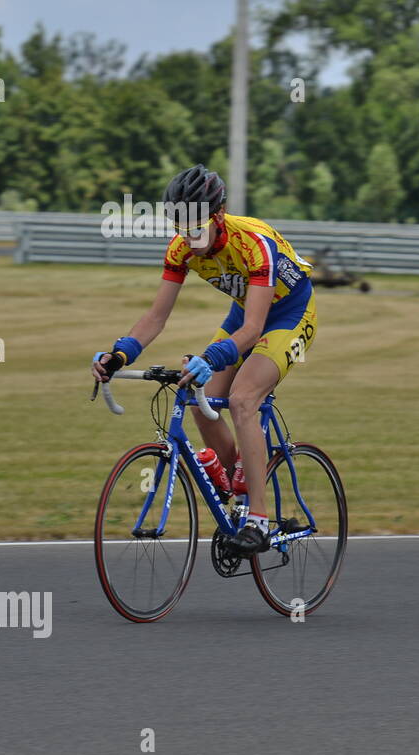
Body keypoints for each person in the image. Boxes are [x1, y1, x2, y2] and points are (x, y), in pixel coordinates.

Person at [90, 164, 317, 554]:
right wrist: (120, 353)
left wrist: (211, 356)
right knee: (199, 397)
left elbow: (255, 326)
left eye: (195, 227)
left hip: (289, 314)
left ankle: (259, 520)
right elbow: (156, 317)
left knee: (244, 399)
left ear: (217, 215)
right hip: (244, 311)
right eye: (178, 226)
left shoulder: (253, 243)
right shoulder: (180, 248)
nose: (188, 237)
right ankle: (237, 483)